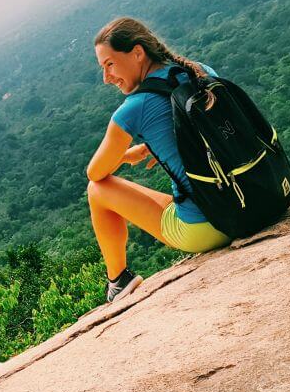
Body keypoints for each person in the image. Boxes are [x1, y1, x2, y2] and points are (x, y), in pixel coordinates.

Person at [87, 17, 232, 303]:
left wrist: (125, 156)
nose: (106, 78)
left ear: (138, 53)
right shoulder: (198, 71)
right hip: (248, 198)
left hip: (208, 228)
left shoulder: (133, 109)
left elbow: (95, 172)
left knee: (97, 191)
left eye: (110, 64)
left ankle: (118, 281)